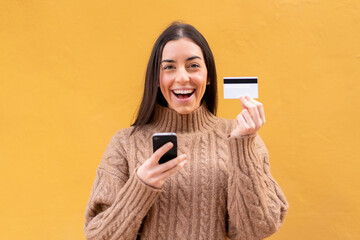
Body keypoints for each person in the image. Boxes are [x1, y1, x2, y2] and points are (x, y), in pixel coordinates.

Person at [84, 22, 289, 240]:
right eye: (169, 67)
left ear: (208, 76)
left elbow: (259, 228)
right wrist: (141, 185)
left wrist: (243, 145)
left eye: (193, 66)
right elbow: (98, 237)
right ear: (156, 78)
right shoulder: (124, 143)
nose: (182, 77)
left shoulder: (240, 136)